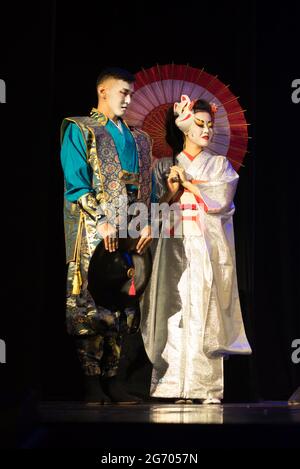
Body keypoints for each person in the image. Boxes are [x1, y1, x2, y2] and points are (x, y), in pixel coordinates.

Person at [141, 95, 252, 404]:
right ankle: (173, 384)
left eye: (210, 125)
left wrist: (191, 184)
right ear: (186, 128)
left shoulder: (218, 164)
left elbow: (222, 198)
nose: (207, 131)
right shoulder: (165, 166)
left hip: (204, 246)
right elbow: (156, 212)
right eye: (200, 124)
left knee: (204, 311)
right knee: (175, 312)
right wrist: (172, 191)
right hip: (174, 246)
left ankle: (207, 387)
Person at [60, 67, 152, 404]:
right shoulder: (80, 128)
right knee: (92, 300)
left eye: (131, 93)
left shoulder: (140, 138)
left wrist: (147, 223)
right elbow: (75, 180)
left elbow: (147, 188)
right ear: (103, 91)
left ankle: (115, 379)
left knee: (124, 298)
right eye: (121, 92)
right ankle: (91, 381)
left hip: (129, 227)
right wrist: (100, 219)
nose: (127, 99)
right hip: (95, 228)